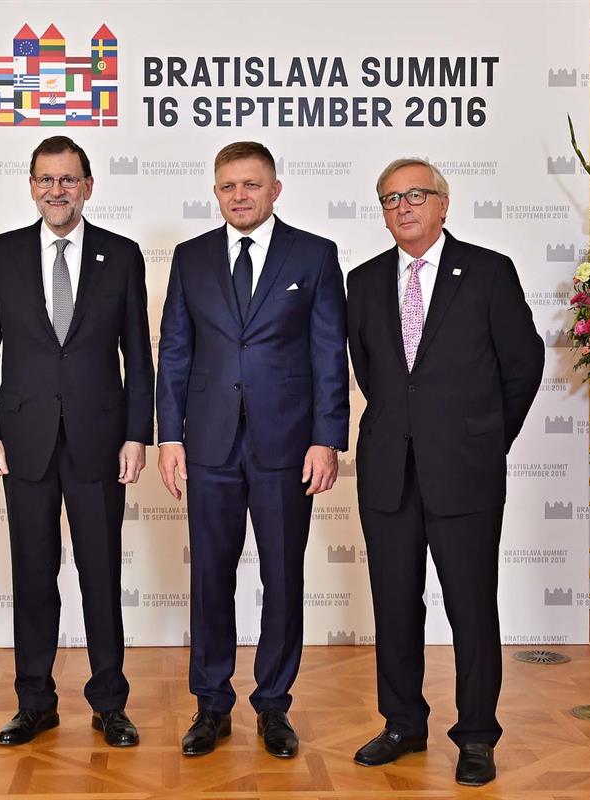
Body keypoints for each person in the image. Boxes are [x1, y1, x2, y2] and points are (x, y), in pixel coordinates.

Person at [345, 158, 544, 786]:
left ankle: (477, 736)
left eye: (415, 195)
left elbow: (522, 366)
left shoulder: (488, 272)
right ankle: (403, 722)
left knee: (471, 606)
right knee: (395, 605)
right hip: (387, 471)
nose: (402, 207)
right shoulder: (365, 279)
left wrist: (486, 438)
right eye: (389, 199)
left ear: (443, 203)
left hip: (466, 471)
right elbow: (371, 373)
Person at [156, 141, 348, 758]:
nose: (239, 196)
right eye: (228, 186)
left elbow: (328, 355)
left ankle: (273, 705)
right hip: (207, 443)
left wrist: (326, 438)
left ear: (275, 189)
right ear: (216, 192)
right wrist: (169, 436)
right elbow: (175, 352)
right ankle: (211, 703)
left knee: (282, 572)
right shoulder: (189, 258)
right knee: (211, 577)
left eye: (251, 185)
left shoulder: (315, 255)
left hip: (287, 445)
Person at [0, 136, 154, 748]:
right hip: (22, 441)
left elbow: (139, 357)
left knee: (101, 574)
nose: (57, 190)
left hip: (101, 441)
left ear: (88, 186)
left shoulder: (122, 256)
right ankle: (34, 703)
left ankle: (109, 702)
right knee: (33, 573)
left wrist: (137, 434)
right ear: (30, 186)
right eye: (46, 179)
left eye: (68, 179)